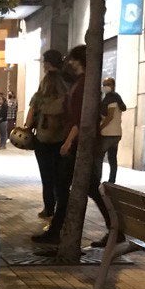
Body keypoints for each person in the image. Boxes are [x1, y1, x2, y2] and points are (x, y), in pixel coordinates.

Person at [34, 46, 110, 246]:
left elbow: (81, 119)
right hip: (79, 142)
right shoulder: (80, 83)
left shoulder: (84, 84)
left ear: (79, 61)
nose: (69, 62)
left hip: (78, 144)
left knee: (63, 184)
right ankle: (113, 228)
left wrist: (68, 142)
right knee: (87, 187)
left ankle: (57, 231)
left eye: (73, 59)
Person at [24, 49, 67, 222]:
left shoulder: (46, 84)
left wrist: (28, 126)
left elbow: (32, 113)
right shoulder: (67, 81)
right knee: (60, 177)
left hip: (44, 137)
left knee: (47, 175)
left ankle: (49, 207)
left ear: (48, 64)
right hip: (62, 137)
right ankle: (60, 210)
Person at [99, 77, 127, 184]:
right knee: (112, 158)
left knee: (99, 157)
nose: (105, 86)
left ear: (113, 86)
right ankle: (112, 181)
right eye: (104, 84)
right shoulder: (116, 99)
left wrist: (100, 127)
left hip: (108, 133)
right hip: (116, 133)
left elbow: (109, 116)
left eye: (108, 84)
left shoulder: (112, 99)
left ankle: (99, 179)